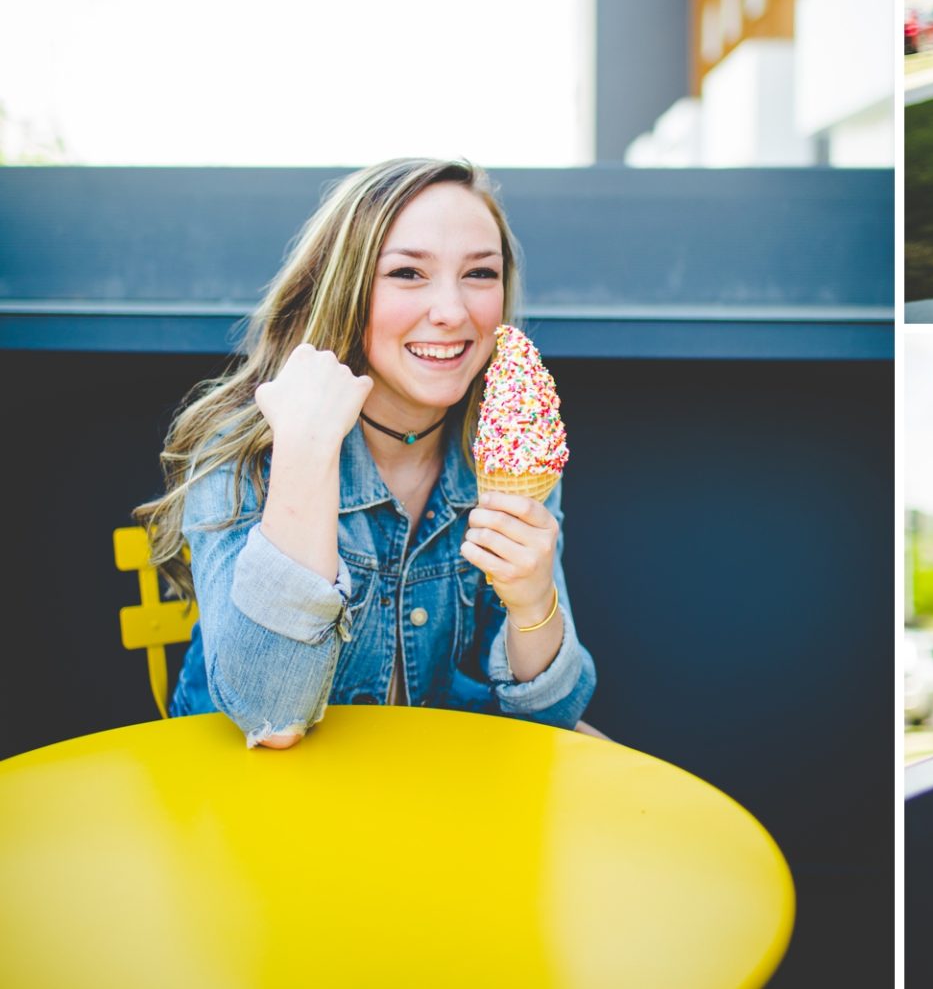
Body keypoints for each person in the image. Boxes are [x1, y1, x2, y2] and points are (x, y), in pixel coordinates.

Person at [135, 158, 598, 748]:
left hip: (426, 797)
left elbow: (549, 724)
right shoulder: (244, 448)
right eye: (408, 272)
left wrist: (534, 601)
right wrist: (305, 454)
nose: (453, 311)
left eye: (481, 274)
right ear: (347, 285)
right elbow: (268, 718)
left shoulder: (505, 452)